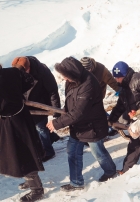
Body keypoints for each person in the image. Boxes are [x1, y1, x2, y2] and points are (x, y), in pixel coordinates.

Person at [46, 57, 116, 191]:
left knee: (98, 153)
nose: (65, 79)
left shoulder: (89, 84)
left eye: (66, 76)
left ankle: (110, 171)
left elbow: (79, 112)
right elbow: (70, 98)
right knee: (72, 151)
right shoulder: (72, 79)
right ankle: (76, 182)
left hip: (92, 126)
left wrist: (57, 123)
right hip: (78, 126)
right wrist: (66, 109)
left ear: (74, 73)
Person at [0, 65, 45, 202]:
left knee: (24, 154)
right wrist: (19, 94)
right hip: (20, 117)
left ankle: (37, 189)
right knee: (17, 154)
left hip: (13, 122)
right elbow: (30, 81)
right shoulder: (13, 71)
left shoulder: (12, 72)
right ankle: (29, 179)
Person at [12, 56, 61, 162]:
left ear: (28, 67)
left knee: (40, 128)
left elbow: (53, 91)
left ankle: (48, 152)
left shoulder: (42, 72)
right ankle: (52, 137)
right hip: (27, 106)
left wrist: (56, 111)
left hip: (40, 104)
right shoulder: (18, 71)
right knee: (36, 127)